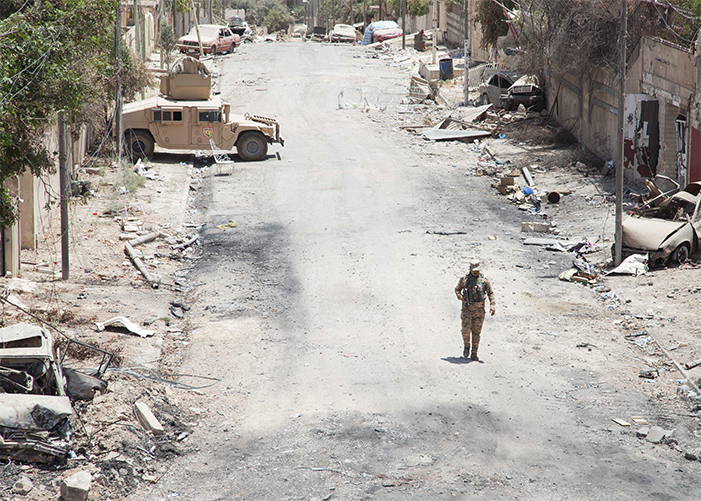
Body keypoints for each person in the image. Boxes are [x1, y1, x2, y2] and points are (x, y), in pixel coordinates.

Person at [454, 260, 495, 361]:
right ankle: (467, 346)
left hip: (479, 311)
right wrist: (461, 298)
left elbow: (490, 293)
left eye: (477, 270)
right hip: (467, 310)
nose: (475, 272)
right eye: (473, 270)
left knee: (476, 332)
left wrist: (492, 305)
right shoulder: (464, 279)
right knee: (465, 330)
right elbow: (457, 290)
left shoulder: (484, 280)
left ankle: (474, 353)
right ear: (470, 269)